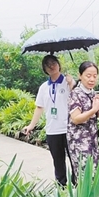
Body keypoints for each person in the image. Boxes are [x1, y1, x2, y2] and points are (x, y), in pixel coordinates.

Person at [23, 55, 75, 186]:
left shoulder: (68, 82)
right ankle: (61, 187)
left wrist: (71, 84)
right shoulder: (43, 87)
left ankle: (77, 186)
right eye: (47, 65)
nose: (51, 66)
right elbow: (39, 107)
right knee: (58, 161)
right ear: (45, 69)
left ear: (59, 64)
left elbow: (77, 99)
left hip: (70, 128)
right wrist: (31, 125)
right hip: (52, 130)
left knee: (75, 160)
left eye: (53, 63)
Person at [67, 61, 99, 182]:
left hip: (92, 140)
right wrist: (93, 109)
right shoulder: (75, 94)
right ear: (80, 75)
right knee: (83, 176)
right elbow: (76, 119)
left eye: (95, 76)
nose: (92, 79)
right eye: (88, 76)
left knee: (93, 174)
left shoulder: (92, 93)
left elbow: (98, 115)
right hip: (79, 141)